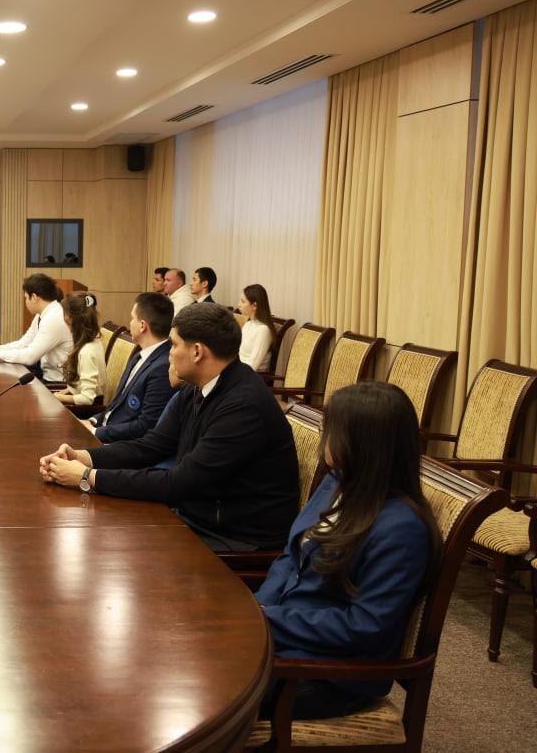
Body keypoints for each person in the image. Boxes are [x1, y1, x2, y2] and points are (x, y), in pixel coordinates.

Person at [38, 304, 298, 552]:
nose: (169, 353)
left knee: (115, 545)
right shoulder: (200, 387)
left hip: (236, 536)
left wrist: (86, 477)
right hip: (199, 515)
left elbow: (179, 483)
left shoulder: (243, 407)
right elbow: (151, 446)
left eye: (174, 344)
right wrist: (83, 457)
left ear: (197, 352)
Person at [256, 382, 440, 720]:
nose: (325, 438)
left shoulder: (401, 529)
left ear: (362, 443)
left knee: (201, 690)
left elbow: (363, 627)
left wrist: (268, 620)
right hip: (284, 638)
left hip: (327, 674)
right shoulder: (337, 481)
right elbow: (291, 556)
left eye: (332, 430)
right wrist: (260, 606)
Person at [82, 292, 176, 443]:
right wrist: (92, 421)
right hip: (105, 429)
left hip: (121, 444)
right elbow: (117, 405)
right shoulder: (139, 355)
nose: (130, 323)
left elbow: (145, 426)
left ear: (142, 325)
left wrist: (95, 432)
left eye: (132, 318)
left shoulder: (163, 367)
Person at [0, 274, 73, 382]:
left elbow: (30, 357)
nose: (26, 302)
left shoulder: (54, 318)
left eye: (25, 297)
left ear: (34, 297)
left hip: (58, 383)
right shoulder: (43, 314)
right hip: (46, 376)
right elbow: (24, 343)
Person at [54, 294, 107, 407]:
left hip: (86, 411)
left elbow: (87, 399)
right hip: (83, 405)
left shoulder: (87, 352)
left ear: (71, 318)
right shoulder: (93, 341)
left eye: (64, 313)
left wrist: (58, 397)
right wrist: (66, 392)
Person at [238, 283, 276, 373]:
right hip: (240, 371)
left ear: (254, 305)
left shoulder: (263, 330)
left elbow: (252, 366)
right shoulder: (248, 324)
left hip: (252, 377)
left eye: (243, 301)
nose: (239, 304)